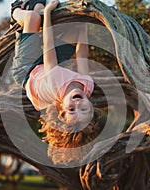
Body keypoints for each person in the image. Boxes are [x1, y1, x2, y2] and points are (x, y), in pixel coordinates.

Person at [11, 0, 101, 165]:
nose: (78, 102)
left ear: (61, 109)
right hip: (49, 65)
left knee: (33, 17)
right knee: (74, 30)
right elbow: (82, 56)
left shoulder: (55, 83)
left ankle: (16, 10)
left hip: (27, 69)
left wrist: (47, 13)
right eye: (84, 109)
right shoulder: (88, 85)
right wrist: (84, 28)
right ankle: (36, 7)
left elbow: (48, 45)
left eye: (72, 109)